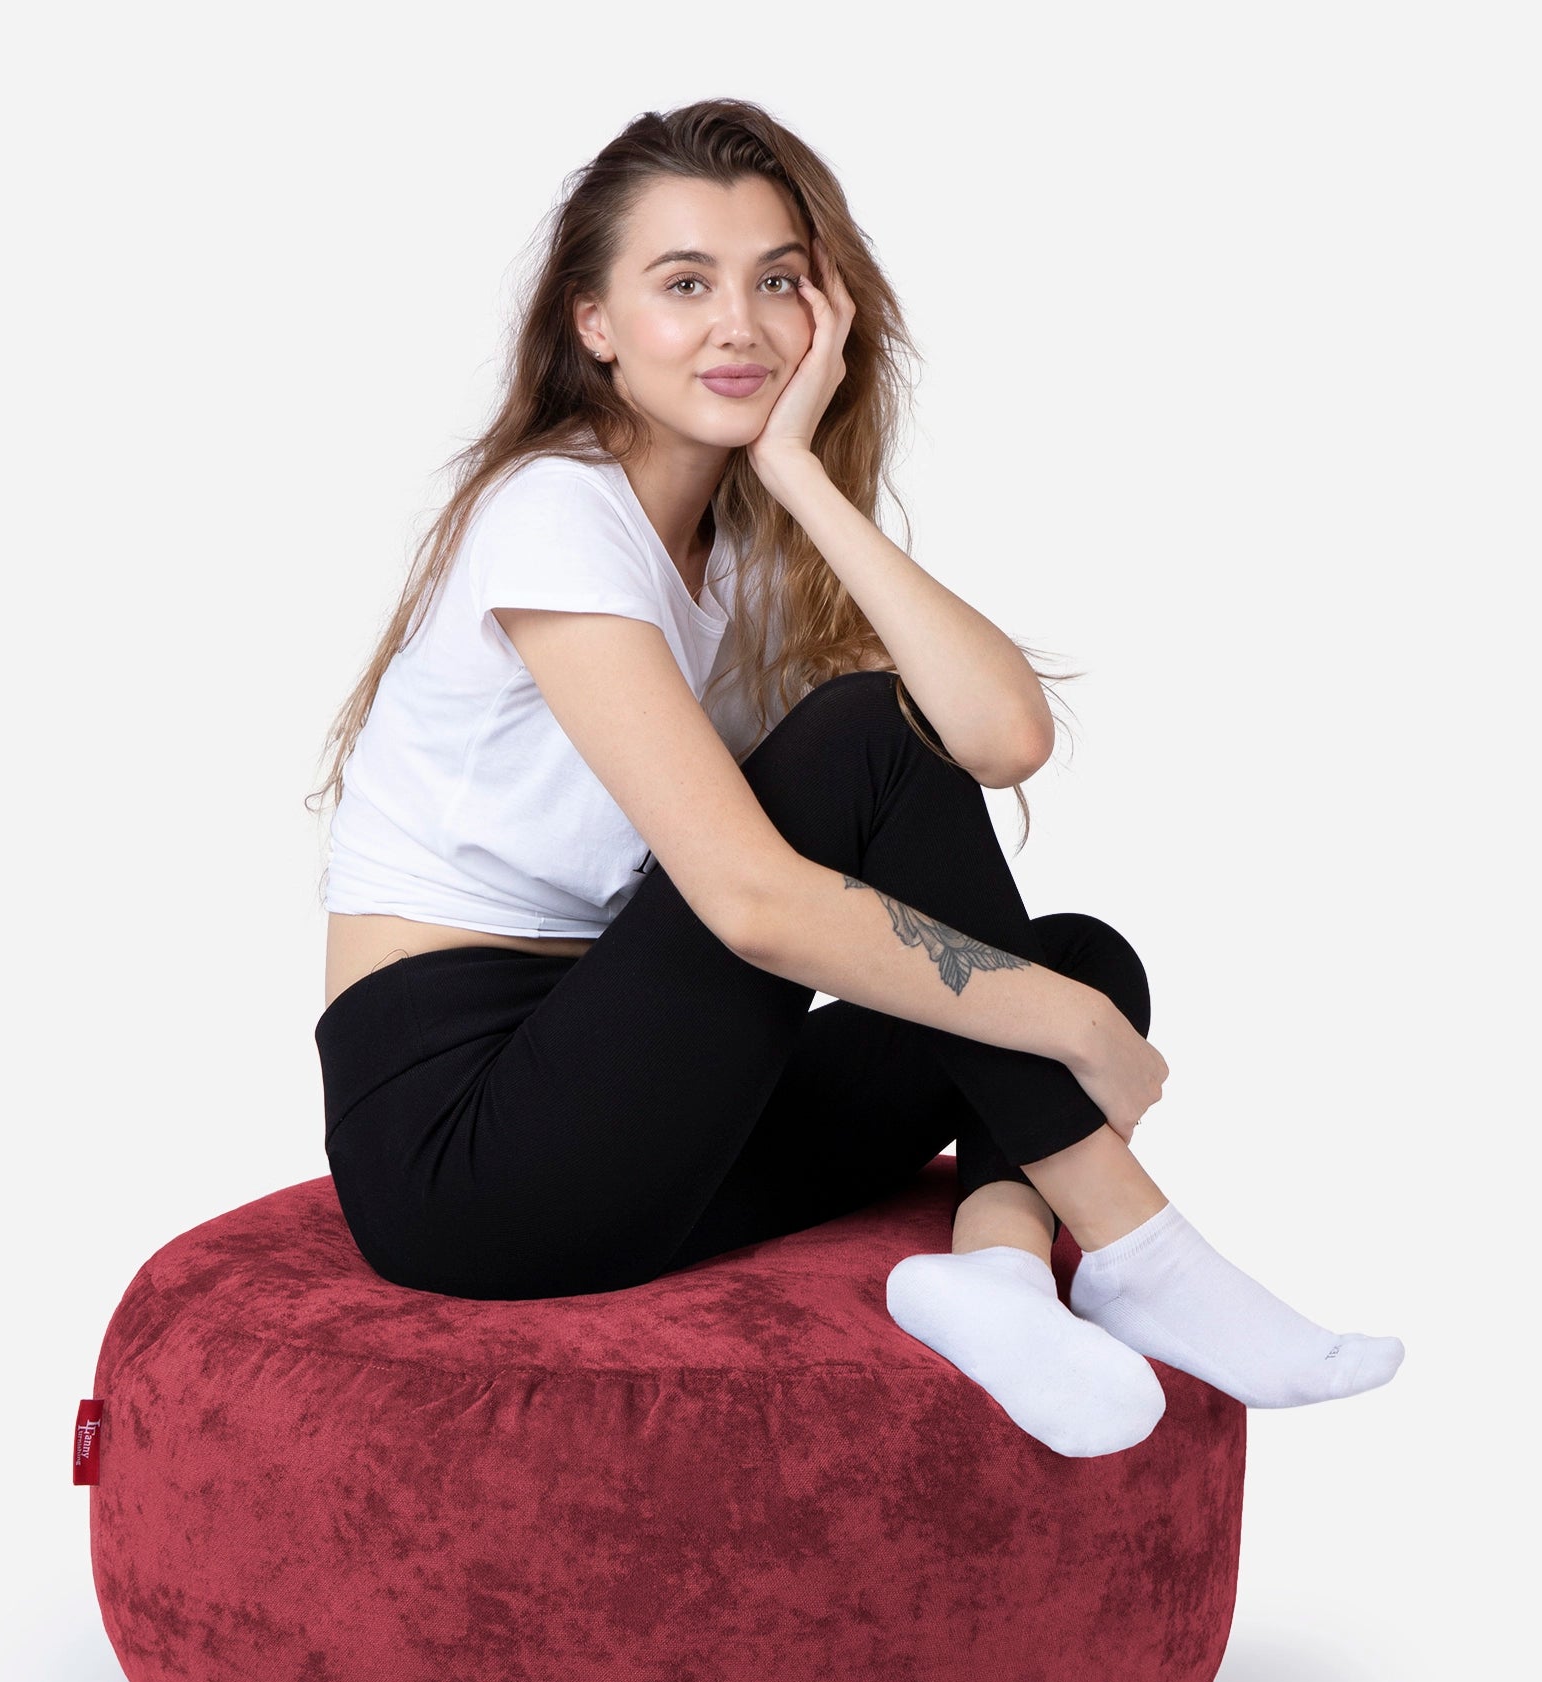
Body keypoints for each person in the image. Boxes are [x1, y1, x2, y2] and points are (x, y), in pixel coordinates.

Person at [306, 99, 1403, 1458]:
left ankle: (996, 1275)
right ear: (592, 322)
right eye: (684, 283)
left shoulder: (743, 555)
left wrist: (799, 479)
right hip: (473, 1150)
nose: (741, 323)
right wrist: (1059, 1025)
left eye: (778, 279)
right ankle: (1137, 1245)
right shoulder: (554, 512)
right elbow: (754, 904)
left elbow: (1001, 738)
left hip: (642, 1115)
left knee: (1080, 952)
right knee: (898, 788)